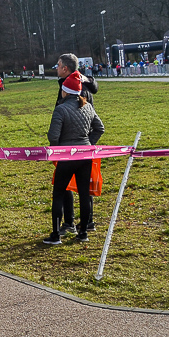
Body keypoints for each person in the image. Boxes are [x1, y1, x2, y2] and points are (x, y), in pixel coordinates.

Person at [44, 70, 105, 246]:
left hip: (66, 157)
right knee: (84, 195)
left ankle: (56, 235)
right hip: (85, 155)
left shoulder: (60, 109)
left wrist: (58, 150)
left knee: (59, 194)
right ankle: (83, 232)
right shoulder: (88, 107)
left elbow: (53, 136)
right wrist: (88, 143)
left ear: (65, 92)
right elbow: (100, 128)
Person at [55, 54, 99, 232]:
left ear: (65, 68)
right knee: (83, 185)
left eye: (58, 66)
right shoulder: (83, 83)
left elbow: (61, 115)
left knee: (66, 185)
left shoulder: (74, 88)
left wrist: (57, 145)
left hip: (71, 143)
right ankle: (87, 223)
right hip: (85, 143)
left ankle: (69, 222)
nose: (56, 68)